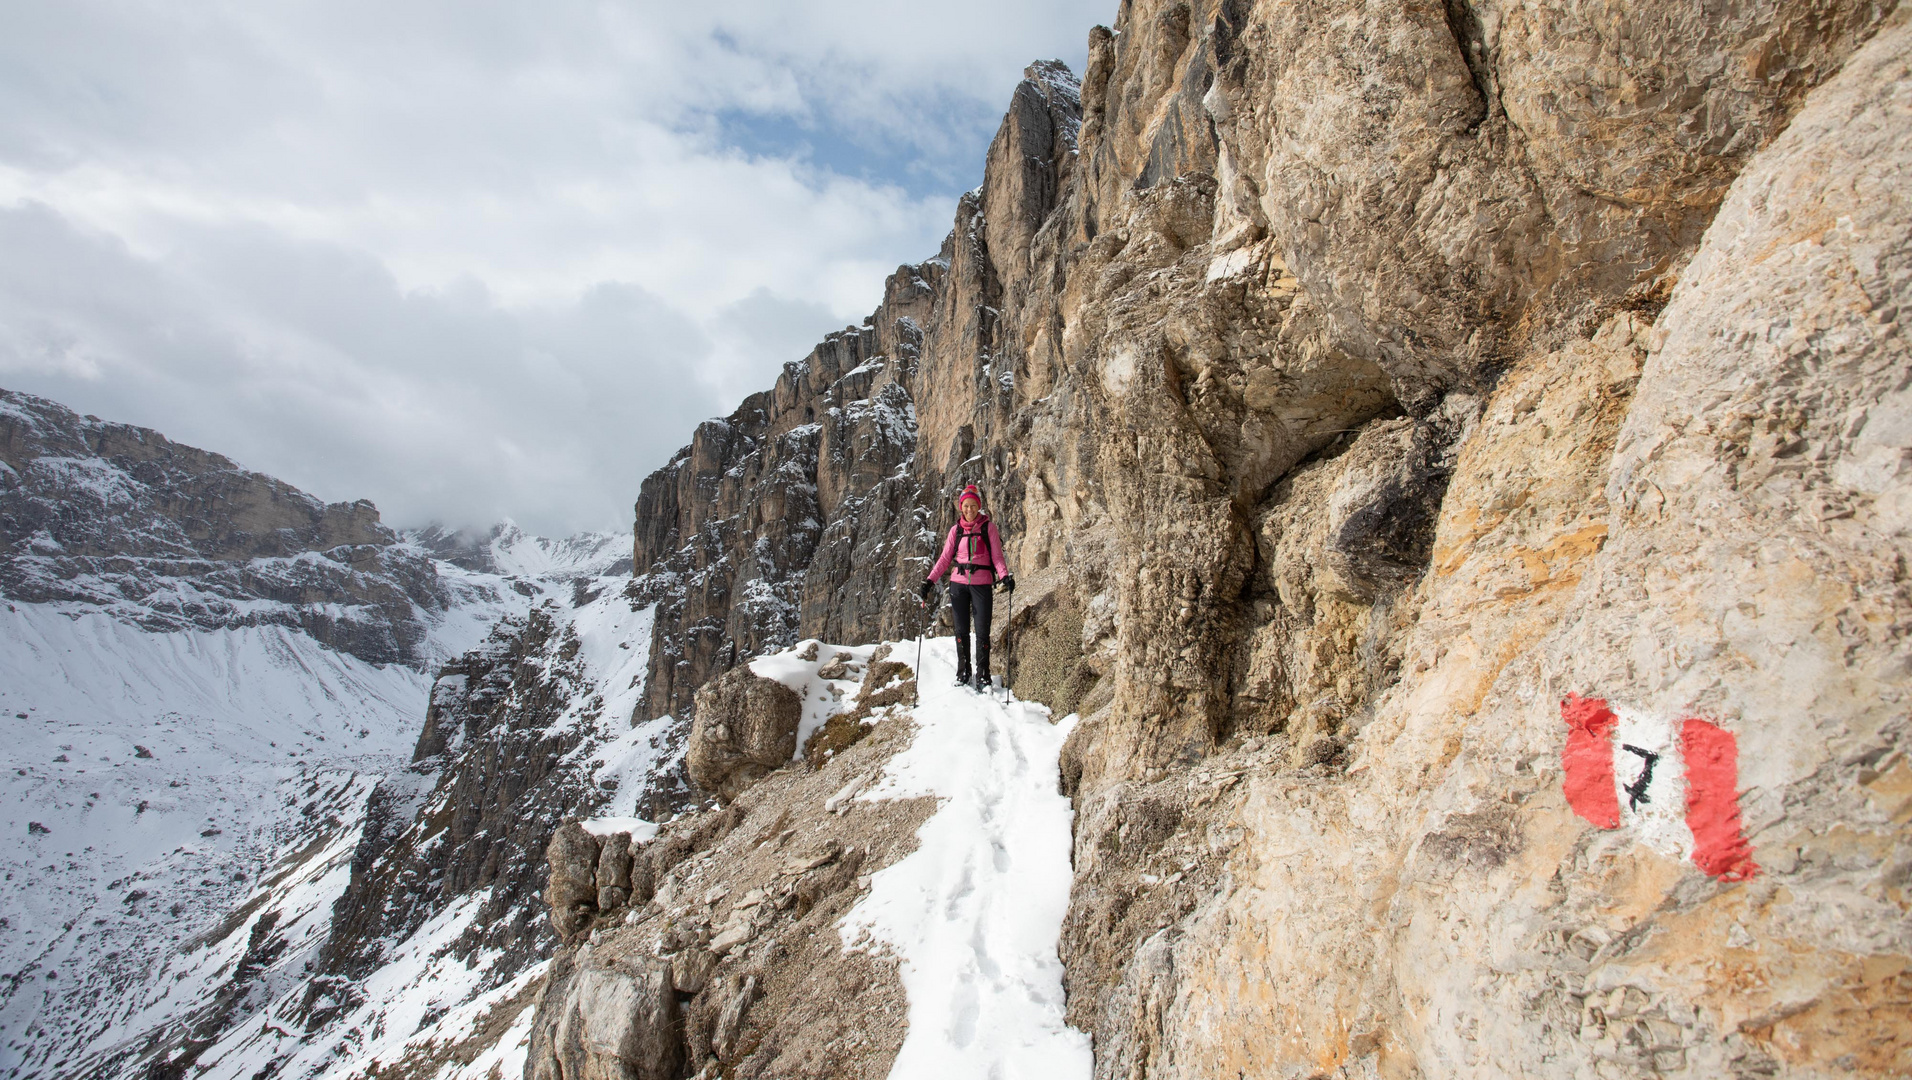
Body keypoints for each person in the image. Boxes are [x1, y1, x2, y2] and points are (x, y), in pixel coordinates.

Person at [921, 484, 1015, 692]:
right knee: (961, 631)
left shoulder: (988, 527)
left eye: (973, 506)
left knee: (982, 631)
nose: (969, 510)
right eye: (966, 506)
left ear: (978, 507)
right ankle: (963, 672)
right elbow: (945, 559)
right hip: (959, 585)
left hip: (981, 584)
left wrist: (1004, 576)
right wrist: (929, 581)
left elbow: (997, 556)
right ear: (961, 507)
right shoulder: (955, 531)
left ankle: (983, 675)